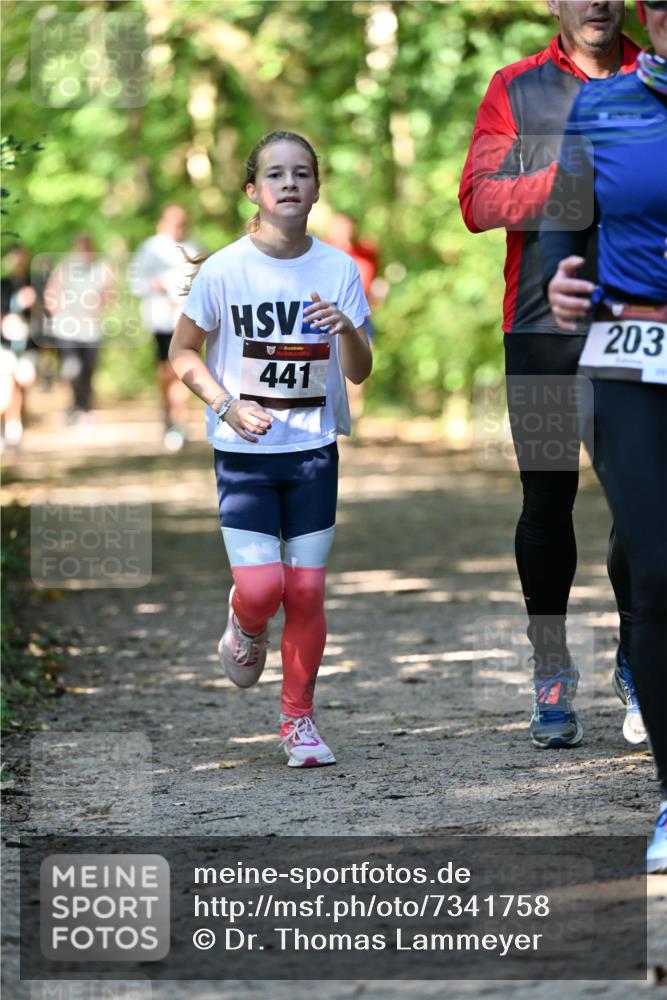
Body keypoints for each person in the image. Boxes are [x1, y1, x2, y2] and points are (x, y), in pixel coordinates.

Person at [459, 1, 642, 749]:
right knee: (546, 497)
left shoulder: (652, 76)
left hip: (639, 322)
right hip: (538, 326)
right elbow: (477, 201)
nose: (594, 1)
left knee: (641, 501)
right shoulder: (515, 86)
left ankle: (638, 661)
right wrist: (573, 180)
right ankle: (550, 669)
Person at [169, 131, 372, 767]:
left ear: (315, 188)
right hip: (243, 454)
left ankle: (298, 722)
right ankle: (246, 620)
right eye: (276, 175)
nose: (290, 183)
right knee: (262, 588)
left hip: (312, 449)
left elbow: (361, 371)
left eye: (302, 174)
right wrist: (226, 403)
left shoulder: (337, 268)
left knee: (307, 591)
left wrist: (346, 331)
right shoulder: (227, 269)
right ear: (253, 190)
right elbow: (181, 352)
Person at [541, 0, 667, 873]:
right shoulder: (600, 106)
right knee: (657, 571)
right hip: (628, 353)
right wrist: (558, 281)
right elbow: (565, 223)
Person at [130, 205, 200, 451]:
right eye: (173, 222)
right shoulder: (150, 249)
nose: (178, 227)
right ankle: (167, 418)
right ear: (163, 222)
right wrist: (157, 284)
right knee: (165, 373)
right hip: (160, 321)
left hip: (187, 322)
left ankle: (180, 422)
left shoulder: (194, 248)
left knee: (184, 372)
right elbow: (135, 283)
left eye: (182, 222)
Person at [44, 234, 113, 422]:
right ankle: (75, 405)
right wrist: (60, 312)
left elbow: (109, 295)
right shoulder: (65, 267)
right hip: (67, 328)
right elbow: (51, 293)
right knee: (71, 369)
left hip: (91, 329)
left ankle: (83, 407)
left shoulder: (101, 268)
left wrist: (98, 303)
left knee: (88, 370)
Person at [0, 246, 41, 449]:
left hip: (27, 346)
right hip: (5, 345)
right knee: (7, 386)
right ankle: (10, 429)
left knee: (22, 383)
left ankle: (15, 427)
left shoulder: (34, 285)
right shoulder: (3, 286)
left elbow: (44, 317)